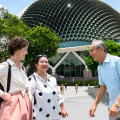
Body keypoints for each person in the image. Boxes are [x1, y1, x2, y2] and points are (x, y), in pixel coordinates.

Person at [0, 37, 33, 120]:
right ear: (17, 50)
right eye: (25, 50)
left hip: (26, 101)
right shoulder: (5, 66)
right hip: (13, 102)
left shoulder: (22, 67)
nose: (27, 52)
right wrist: (2, 94)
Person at [28, 55, 68, 120]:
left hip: (54, 115)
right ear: (36, 65)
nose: (44, 64)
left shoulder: (52, 79)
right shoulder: (32, 79)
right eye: (42, 62)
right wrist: (33, 116)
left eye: (46, 62)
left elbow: (58, 95)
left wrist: (62, 108)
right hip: (40, 116)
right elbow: (29, 99)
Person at [88, 40, 120, 120]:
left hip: (116, 105)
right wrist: (94, 105)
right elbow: (102, 88)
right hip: (112, 110)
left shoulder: (117, 61)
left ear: (101, 49)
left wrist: (117, 104)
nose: (90, 54)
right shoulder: (100, 67)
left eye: (92, 50)